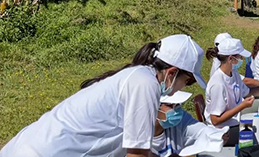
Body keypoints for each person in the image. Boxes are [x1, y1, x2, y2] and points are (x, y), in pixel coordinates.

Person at [0, 34, 206, 157]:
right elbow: (136, 154)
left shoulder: (138, 76)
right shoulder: (145, 84)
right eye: (187, 82)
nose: (182, 88)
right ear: (172, 73)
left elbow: (138, 150)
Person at [204, 37, 259, 146]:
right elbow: (215, 120)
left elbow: (248, 93)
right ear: (230, 59)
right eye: (239, 57)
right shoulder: (218, 84)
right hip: (223, 132)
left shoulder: (234, 74)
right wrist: (242, 106)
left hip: (235, 123)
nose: (241, 59)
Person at [151, 91, 229, 157]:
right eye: (170, 105)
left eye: (178, 105)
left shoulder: (180, 120)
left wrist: (217, 135)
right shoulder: (141, 135)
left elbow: (200, 129)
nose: (176, 110)